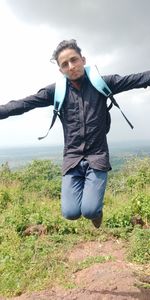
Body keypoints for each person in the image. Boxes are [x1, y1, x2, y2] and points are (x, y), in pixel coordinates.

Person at [0, 39, 150, 228]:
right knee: (70, 213)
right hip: (72, 158)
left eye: (74, 60)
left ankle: (96, 211)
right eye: (65, 64)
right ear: (60, 70)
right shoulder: (56, 91)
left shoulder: (101, 83)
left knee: (90, 210)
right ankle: (90, 207)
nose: (71, 67)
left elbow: (138, 79)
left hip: (97, 156)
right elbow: (23, 104)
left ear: (83, 60)